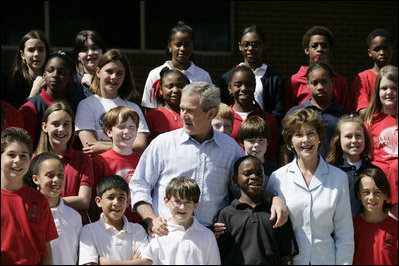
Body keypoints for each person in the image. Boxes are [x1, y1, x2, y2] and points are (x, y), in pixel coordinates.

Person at [129, 81, 288, 239]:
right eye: (182, 109)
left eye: (190, 111)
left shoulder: (230, 148)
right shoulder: (163, 144)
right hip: (166, 237)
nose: (183, 115)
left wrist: (274, 199)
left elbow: (246, 186)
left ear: (211, 113)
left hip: (212, 240)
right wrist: (151, 220)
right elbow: (139, 185)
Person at [266, 108, 354, 265]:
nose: (305, 140)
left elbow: (344, 234)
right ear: (290, 141)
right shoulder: (277, 178)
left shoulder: (338, 178)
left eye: (311, 133)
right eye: (298, 135)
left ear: (319, 137)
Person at [217, 155, 298, 265]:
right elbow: (219, 255)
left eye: (259, 173)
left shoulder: (277, 212)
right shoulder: (226, 214)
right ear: (235, 179)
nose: (254, 176)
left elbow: (286, 256)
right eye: (247, 173)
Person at [75, 49, 149, 156]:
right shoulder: (86, 105)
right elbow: (90, 147)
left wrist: (104, 146)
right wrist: (127, 146)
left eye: (119, 73)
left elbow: (141, 146)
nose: (114, 77)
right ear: (98, 72)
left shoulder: (133, 108)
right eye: (109, 71)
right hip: (99, 168)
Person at [1, 127, 58, 265]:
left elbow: (47, 247)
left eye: (23, 155)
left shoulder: (39, 200)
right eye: (11, 154)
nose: (18, 160)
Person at [281, 59, 351, 165]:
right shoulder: (296, 113)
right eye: (315, 83)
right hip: (302, 172)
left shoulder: (344, 115)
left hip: (337, 171)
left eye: (324, 82)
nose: (320, 87)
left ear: (333, 82)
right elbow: (284, 146)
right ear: (307, 85)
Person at [35, 101, 94, 224]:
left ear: (73, 127)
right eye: (55, 124)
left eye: (66, 124)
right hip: (43, 223)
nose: (61, 129)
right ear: (44, 127)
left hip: (75, 227)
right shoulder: (34, 160)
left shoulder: (83, 160)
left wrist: (53, 202)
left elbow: (84, 201)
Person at [140, 176, 221, 265]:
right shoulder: (158, 234)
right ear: (166, 201)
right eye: (177, 202)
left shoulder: (207, 235)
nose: (182, 207)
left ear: (195, 205)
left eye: (188, 202)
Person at [219, 25, 286, 124]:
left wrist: (263, 126)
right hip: (235, 128)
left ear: (263, 46)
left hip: (263, 130)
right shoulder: (227, 77)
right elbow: (224, 108)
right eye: (246, 44)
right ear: (240, 46)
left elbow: (279, 112)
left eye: (255, 44)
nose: (250, 48)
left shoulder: (275, 79)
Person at [140, 21, 212, 112]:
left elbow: (209, 109)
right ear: (170, 46)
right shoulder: (155, 74)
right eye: (178, 45)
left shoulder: (203, 76)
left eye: (187, 45)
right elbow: (149, 108)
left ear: (193, 47)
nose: (182, 49)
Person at [24, 152, 82, 265]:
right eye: (50, 175)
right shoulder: (27, 213)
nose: (56, 180)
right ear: (36, 179)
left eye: (60, 175)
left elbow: (79, 254)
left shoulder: (74, 216)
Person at [79, 175, 149, 265]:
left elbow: (146, 262)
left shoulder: (137, 230)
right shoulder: (89, 231)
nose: (116, 202)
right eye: (110, 197)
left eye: (121, 198)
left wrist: (106, 262)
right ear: (98, 201)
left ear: (128, 202)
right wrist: (133, 263)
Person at [92, 106, 142, 223]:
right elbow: (94, 199)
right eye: (121, 127)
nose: (127, 131)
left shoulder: (144, 160)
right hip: (109, 225)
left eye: (131, 127)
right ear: (109, 131)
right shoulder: (100, 161)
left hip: (139, 225)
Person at [19, 50, 77, 150]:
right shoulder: (31, 107)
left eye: (62, 72)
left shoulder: (75, 105)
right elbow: (25, 146)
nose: (55, 75)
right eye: (50, 70)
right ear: (44, 74)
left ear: (71, 77)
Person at [286, 25, 351, 112]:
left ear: (330, 50)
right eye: (314, 46)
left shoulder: (340, 81)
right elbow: (290, 111)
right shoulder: (295, 80)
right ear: (306, 50)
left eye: (324, 46)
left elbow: (345, 113)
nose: (320, 49)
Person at [326, 114, 380, 216]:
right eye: (348, 136)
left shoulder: (375, 171)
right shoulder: (329, 171)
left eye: (358, 136)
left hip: (367, 229)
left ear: (365, 138)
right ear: (338, 140)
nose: (354, 140)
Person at [364, 64, 398, 219]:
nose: (389, 92)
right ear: (377, 92)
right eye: (384, 88)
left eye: (394, 88)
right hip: (380, 189)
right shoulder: (371, 122)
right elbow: (368, 157)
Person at [227, 65, 279, 164]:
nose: (243, 88)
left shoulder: (268, 120)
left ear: (254, 86)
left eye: (248, 84)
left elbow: (273, 155)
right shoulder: (223, 120)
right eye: (238, 85)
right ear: (230, 88)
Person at [353, 168, 398, 265]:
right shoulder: (351, 227)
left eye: (377, 192)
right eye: (366, 192)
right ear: (359, 195)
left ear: (385, 195)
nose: (371, 197)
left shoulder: (395, 228)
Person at [351, 28, 393, 119]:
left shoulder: (396, 76)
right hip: (372, 130)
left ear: (392, 49)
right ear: (369, 52)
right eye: (377, 49)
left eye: (385, 48)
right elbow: (364, 113)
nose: (382, 52)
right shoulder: (362, 78)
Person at [3, 29, 50, 109]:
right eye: (31, 50)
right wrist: (34, 92)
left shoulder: (54, 81)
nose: (36, 54)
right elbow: (17, 116)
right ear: (22, 55)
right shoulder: (14, 85)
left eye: (41, 50)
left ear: (46, 53)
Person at [144, 67, 189, 143]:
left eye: (180, 86)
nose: (175, 90)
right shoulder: (152, 117)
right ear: (161, 90)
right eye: (170, 87)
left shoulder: (193, 114)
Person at [238, 116, 278, 187]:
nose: (256, 145)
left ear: (267, 142)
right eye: (251, 140)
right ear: (242, 142)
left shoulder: (275, 173)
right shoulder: (235, 168)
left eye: (261, 140)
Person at [70, 29, 107, 101]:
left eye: (94, 48)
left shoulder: (111, 78)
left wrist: (94, 87)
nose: (90, 53)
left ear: (102, 51)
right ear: (78, 56)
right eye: (84, 50)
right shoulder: (72, 81)